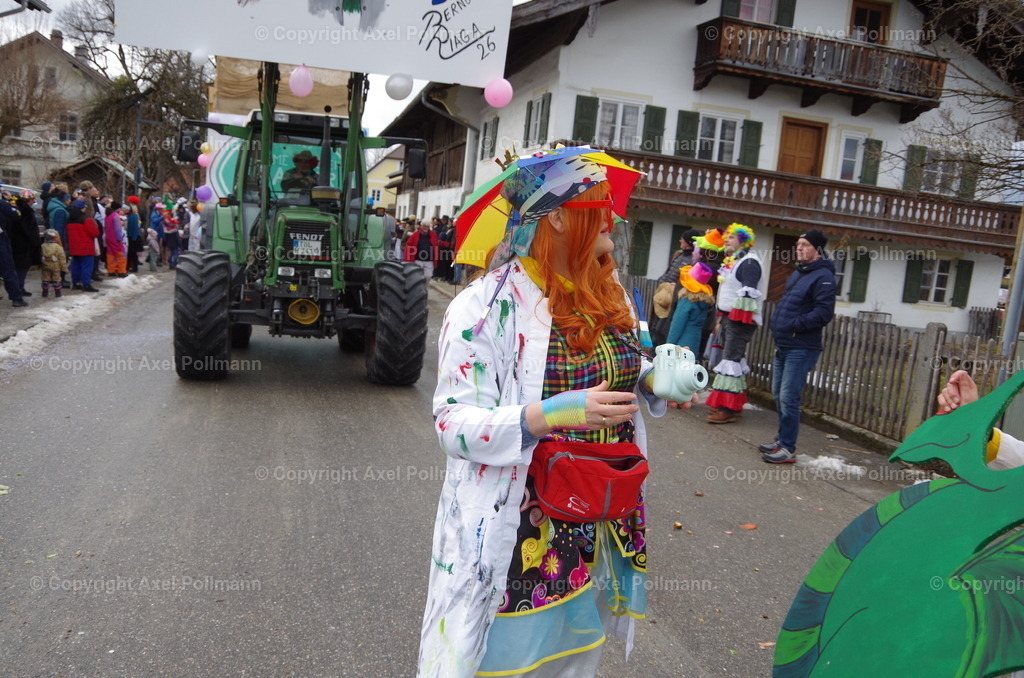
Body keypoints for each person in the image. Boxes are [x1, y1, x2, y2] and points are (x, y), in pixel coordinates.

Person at [417, 148, 687, 677]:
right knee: (511, 662)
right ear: (558, 216)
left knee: (576, 658)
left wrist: (655, 379)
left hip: (600, 513)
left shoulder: (614, 298)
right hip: (524, 523)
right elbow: (453, 423)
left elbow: (629, 369)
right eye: (596, 199)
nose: (611, 211)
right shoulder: (483, 308)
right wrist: (545, 416)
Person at [761, 230, 837, 463]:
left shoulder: (824, 277)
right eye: (798, 244)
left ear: (817, 249)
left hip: (802, 346)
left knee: (789, 397)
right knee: (778, 394)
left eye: (805, 244)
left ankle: (788, 448)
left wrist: (794, 325)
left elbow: (823, 314)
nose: (799, 248)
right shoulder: (799, 273)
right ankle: (781, 439)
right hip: (784, 343)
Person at [705, 223, 766, 424]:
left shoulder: (749, 263)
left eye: (730, 237)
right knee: (733, 361)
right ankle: (732, 406)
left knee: (731, 360)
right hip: (731, 319)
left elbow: (749, 293)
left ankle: (727, 409)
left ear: (742, 240)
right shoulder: (736, 261)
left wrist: (735, 321)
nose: (726, 240)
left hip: (740, 321)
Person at [651, 229, 701, 346]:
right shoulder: (678, 254)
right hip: (662, 293)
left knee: (662, 328)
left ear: (688, 242)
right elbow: (669, 270)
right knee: (654, 324)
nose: (680, 241)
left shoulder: (693, 261)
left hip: (673, 297)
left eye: (682, 239)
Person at [665, 261, 716, 353]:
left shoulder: (687, 301)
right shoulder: (705, 302)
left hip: (681, 344)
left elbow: (677, 325)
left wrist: (669, 345)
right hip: (694, 342)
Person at [9, 189, 43, 298]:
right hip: (23, 244)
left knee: (19, 267)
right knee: (21, 267)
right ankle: (18, 288)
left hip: (17, 243)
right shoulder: (25, 212)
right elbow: (28, 229)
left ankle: (19, 288)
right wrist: (35, 241)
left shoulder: (16, 209)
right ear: (28, 200)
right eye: (32, 200)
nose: (34, 202)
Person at [0, 192, 28, 307]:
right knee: (8, 268)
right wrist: (11, 201)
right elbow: (17, 215)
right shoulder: (2, 204)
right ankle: (16, 298)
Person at [66, 199, 100, 292]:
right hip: (86, 247)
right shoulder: (86, 219)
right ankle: (86, 284)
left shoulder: (69, 220)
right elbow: (95, 233)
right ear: (82, 208)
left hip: (74, 247)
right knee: (86, 266)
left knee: (76, 265)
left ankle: (75, 283)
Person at [40, 229, 68, 297]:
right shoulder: (58, 247)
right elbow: (62, 258)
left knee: (45, 278)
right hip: (55, 266)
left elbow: (39, 255)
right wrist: (64, 268)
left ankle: (45, 292)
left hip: (45, 265)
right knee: (56, 279)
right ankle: (57, 293)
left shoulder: (42, 246)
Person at [104, 201, 129, 277]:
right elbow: (117, 229)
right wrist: (120, 239)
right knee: (121, 254)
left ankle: (111, 270)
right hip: (115, 238)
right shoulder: (115, 216)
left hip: (108, 238)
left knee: (110, 254)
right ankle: (121, 271)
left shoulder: (107, 216)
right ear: (118, 208)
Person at [125, 196, 143, 274]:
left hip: (132, 237)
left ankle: (132, 266)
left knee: (131, 253)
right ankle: (133, 266)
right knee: (133, 253)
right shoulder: (136, 215)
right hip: (135, 236)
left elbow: (132, 227)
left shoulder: (132, 216)